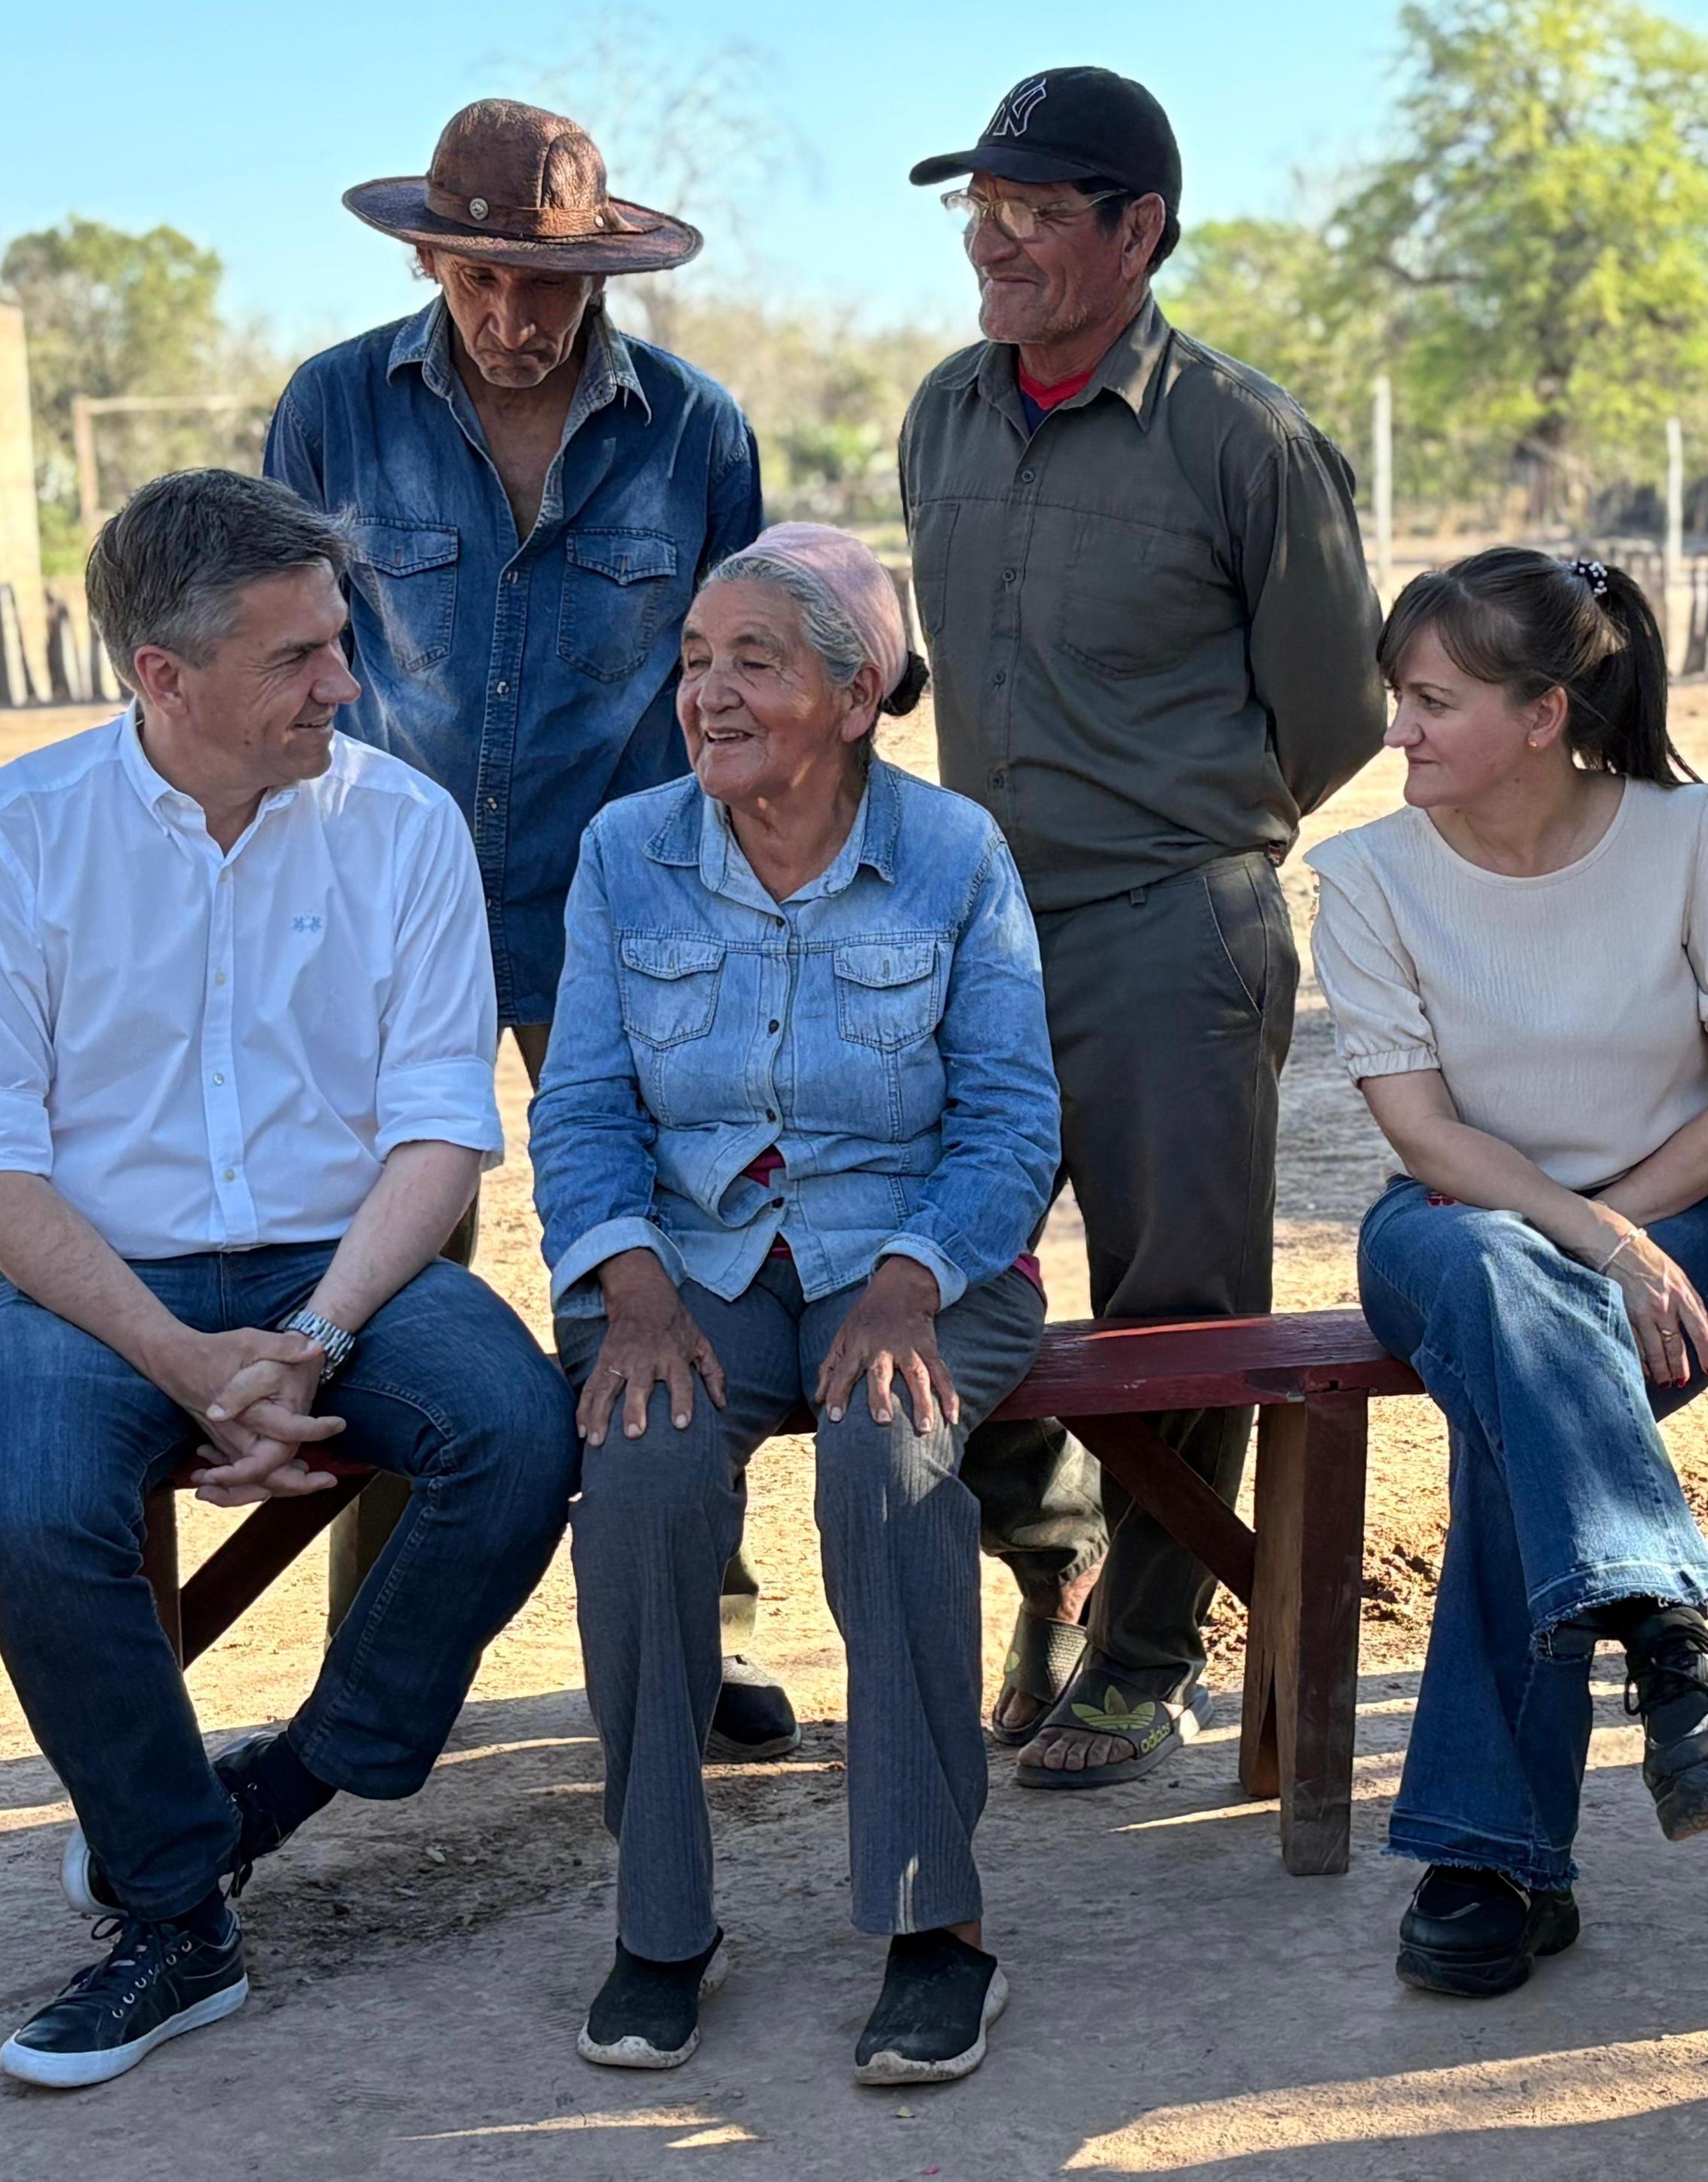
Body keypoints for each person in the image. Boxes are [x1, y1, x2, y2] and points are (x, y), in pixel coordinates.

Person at [0, 471, 577, 2088]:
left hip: (341, 1259)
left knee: (517, 1430)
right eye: (296, 656)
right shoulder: (3, 835)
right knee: (37, 1506)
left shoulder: (401, 825)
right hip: (89, 1277)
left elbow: (440, 1128)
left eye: (340, 641)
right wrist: (183, 1358)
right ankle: (174, 1913)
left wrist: (313, 1332)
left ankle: (270, 1794)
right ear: (164, 674)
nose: (342, 682)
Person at [264, 98, 787, 1756]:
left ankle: (692, 1637)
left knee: (663, 1253)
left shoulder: (693, 432)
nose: (512, 316)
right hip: (381, 911)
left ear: (600, 275)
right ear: (429, 260)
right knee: (385, 1268)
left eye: (546, 284)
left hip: (628, 909)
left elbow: (737, 678)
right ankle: (379, 1657)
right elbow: (286, 655)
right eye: (481, 278)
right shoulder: (333, 410)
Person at [899, 67, 1387, 1786]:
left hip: (1172, 929)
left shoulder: (1243, 443)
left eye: (1039, 212)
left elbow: (1334, 716)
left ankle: (1147, 1652)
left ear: (1138, 230)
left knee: (1177, 1305)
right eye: (984, 210)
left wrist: (1175, 837)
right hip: (970, 928)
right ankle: (1051, 1555)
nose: (997, 242)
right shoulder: (942, 416)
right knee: (921, 1254)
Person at [529, 527, 1062, 2083]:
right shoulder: (627, 850)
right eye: (695, 661)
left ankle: (935, 1924)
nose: (707, 693)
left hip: (918, 1257)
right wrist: (629, 1286)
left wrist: (910, 1280)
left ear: (856, 694)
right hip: (688, 1264)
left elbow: (1012, 1118)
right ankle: (660, 1922)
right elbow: (582, 1108)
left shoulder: (953, 852)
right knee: (641, 1474)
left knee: (886, 1461)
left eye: (752, 662)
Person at [1307, 548, 1708, 1996]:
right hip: (1450, 1226)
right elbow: (1423, 1133)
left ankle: (1492, 1859)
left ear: (1541, 716)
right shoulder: (1368, 877)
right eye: (1399, 697)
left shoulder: (1699, 842)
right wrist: (1586, 1239)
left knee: (1513, 1413)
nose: (1395, 732)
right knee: (1494, 1278)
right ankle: (1660, 1624)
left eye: (1430, 701)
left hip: (1687, 1221)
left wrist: (1618, 1228)